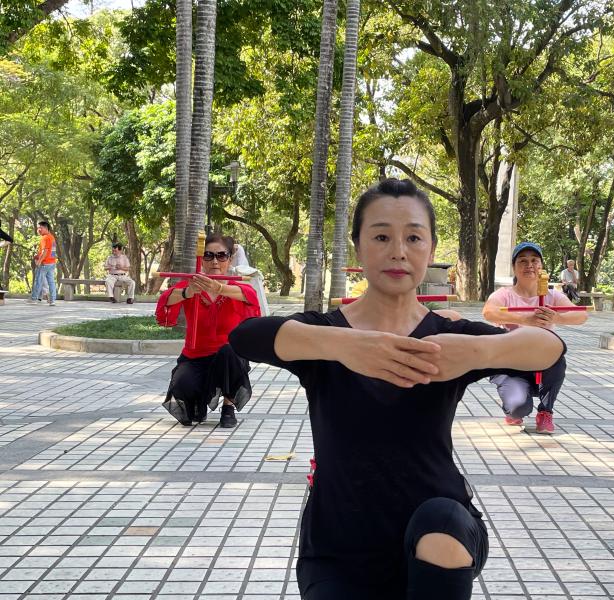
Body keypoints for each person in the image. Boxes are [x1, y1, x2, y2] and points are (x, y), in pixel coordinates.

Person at [229, 178, 565, 600]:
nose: (398, 251)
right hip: (338, 547)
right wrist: (345, 345)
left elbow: (550, 350)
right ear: (358, 246)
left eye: (413, 238)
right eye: (382, 236)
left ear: (431, 248)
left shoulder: (448, 338)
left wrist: (477, 351)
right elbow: (245, 336)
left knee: (440, 521)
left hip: (441, 534)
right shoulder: (326, 335)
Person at [156, 234, 260, 428]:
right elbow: (166, 300)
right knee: (183, 385)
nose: (215, 261)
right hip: (195, 355)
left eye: (221, 255)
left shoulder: (236, 287)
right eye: (208, 255)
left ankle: (228, 407)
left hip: (228, 356)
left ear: (230, 259)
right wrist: (188, 292)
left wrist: (218, 287)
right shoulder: (192, 284)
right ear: (201, 259)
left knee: (229, 351)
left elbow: (250, 295)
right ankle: (198, 405)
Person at [483, 242, 588, 434]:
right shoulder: (504, 294)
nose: (529, 265)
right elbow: (489, 312)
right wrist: (525, 319)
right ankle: (513, 409)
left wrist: (557, 318)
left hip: (542, 361)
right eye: (522, 261)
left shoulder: (552, 295)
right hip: (511, 365)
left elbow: (581, 315)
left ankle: (546, 411)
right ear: (514, 267)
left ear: (541, 266)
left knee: (557, 357)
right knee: (518, 408)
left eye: (534, 260)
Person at [29, 221, 58, 306]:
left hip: (44, 264)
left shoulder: (45, 238)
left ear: (45, 228)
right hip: (52, 263)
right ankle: (52, 300)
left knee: (38, 281)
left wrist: (39, 261)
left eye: (40, 228)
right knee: (51, 282)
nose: (38, 230)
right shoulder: (52, 237)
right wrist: (38, 256)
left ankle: (34, 299)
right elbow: (50, 251)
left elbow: (45, 251)